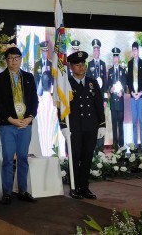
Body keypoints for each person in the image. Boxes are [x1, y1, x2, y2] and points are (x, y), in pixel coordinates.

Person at [0, 47, 38, 205]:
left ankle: (23, 190)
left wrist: (30, 117)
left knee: (23, 158)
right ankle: (7, 192)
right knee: (7, 158)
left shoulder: (28, 77)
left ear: (21, 59)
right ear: (6, 60)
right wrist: (10, 119)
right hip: (8, 124)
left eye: (17, 58)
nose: (14, 61)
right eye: (10, 58)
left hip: (26, 124)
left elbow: (34, 100)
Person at [60, 51, 105, 200]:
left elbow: (99, 105)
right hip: (74, 128)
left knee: (87, 157)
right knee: (74, 157)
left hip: (90, 127)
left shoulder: (93, 82)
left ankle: (84, 187)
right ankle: (75, 187)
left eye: (82, 64)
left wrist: (102, 124)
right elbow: (61, 107)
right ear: (71, 67)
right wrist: (63, 126)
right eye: (77, 65)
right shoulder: (66, 83)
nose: (81, 67)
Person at [86, 39, 107, 148]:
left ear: (99, 51)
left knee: (101, 121)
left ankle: (101, 147)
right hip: (91, 99)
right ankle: (92, 147)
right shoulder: (89, 64)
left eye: (98, 50)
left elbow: (106, 83)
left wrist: (105, 99)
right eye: (95, 50)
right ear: (93, 52)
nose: (96, 52)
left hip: (100, 99)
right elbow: (87, 82)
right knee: (92, 122)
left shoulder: (103, 64)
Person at [126, 42, 142, 150]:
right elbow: (129, 80)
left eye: (136, 49)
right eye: (133, 50)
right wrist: (132, 92)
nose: (134, 51)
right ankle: (134, 146)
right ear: (132, 51)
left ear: (138, 50)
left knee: (141, 121)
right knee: (134, 122)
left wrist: (141, 92)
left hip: (140, 96)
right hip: (133, 96)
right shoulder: (129, 64)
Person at [107, 47, 127, 147]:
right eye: (114, 57)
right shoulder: (110, 71)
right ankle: (115, 145)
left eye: (117, 57)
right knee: (114, 124)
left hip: (120, 101)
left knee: (120, 124)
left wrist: (122, 92)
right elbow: (108, 84)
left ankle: (122, 145)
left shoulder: (123, 71)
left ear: (119, 58)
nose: (115, 59)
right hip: (113, 103)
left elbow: (124, 83)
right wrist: (110, 89)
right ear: (113, 58)